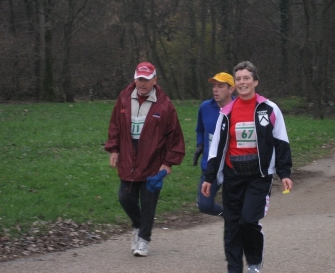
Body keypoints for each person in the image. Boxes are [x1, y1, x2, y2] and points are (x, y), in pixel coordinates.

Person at [201, 61, 293, 273]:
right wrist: (209, 177)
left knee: (249, 221)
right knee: (232, 226)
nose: (242, 82)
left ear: (255, 82)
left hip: (259, 176)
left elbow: (281, 142)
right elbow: (216, 148)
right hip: (233, 175)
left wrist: (284, 172)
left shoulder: (269, 109)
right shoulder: (227, 112)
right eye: (239, 79)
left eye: (246, 78)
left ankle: (253, 262)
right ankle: (234, 269)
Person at [105, 62, 185, 257]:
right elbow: (115, 126)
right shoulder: (124, 99)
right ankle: (139, 226)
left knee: (149, 203)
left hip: (153, 163)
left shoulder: (165, 105)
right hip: (128, 159)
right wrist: (114, 150)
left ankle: (144, 240)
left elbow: (174, 135)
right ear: (134, 79)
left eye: (147, 80)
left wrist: (168, 162)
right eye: (140, 79)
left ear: (155, 81)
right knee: (125, 198)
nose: (143, 84)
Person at [193, 72, 235, 216]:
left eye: (221, 86)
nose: (215, 89)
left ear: (231, 89)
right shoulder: (205, 107)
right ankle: (227, 215)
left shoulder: (239, 108)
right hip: (211, 166)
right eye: (214, 86)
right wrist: (200, 145)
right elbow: (200, 130)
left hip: (233, 166)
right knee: (205, 205)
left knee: (236, 203)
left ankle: (236, 220)